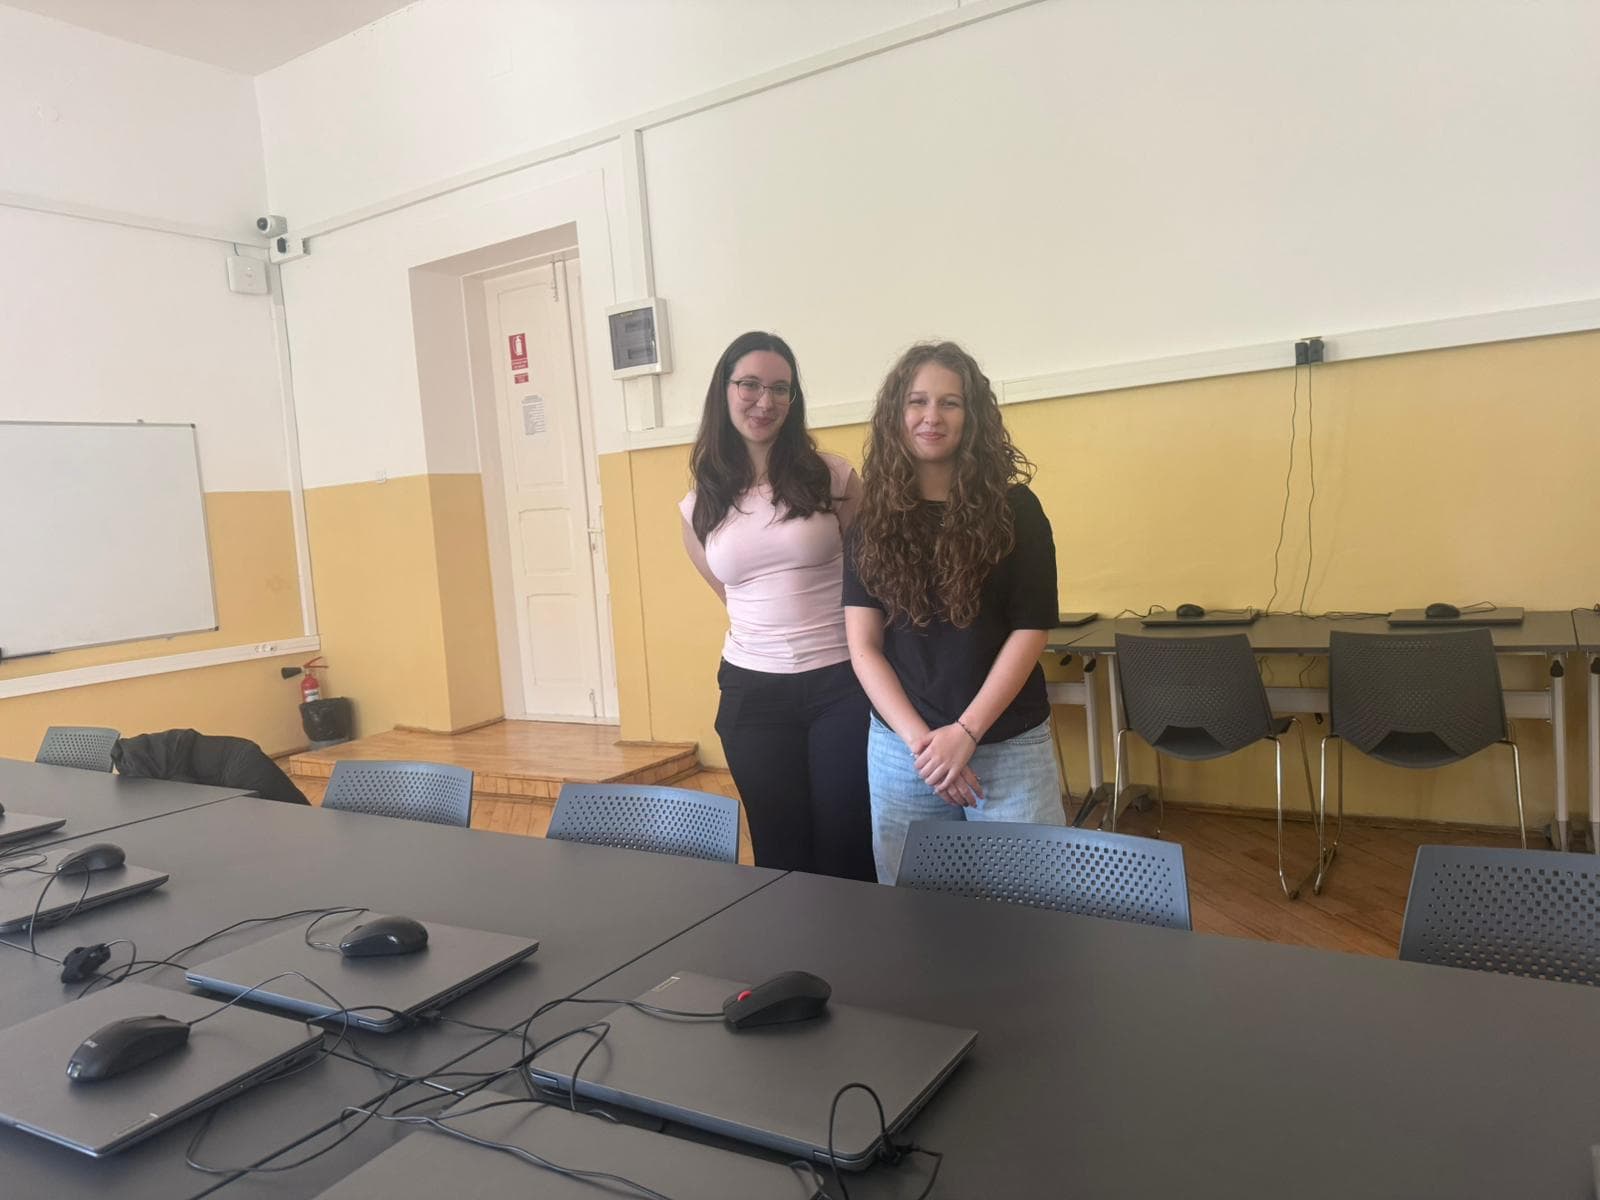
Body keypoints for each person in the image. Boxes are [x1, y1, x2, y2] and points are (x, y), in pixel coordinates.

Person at [843, 340, 1063, 884]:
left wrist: (964, 733)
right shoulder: (872, 521)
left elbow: (1031, 629)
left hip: (1007, 746)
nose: (932, 416)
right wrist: (926, 747)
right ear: (896, 415)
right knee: (914, 914)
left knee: (1029, 913)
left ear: (974, 416)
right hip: (904, 751)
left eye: (950, 403)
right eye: (917, 401)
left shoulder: (1017, 510)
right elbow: (864, 646)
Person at [679, 331, 875, 880]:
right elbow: (730, 596)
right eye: (750, 385)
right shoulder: (699, 506)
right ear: (724, 390)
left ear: (794, 399)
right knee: (778, 851)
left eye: (780, 389)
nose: (765, 401)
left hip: (842, 684)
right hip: (753, 694)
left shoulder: (835, 478)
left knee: (847, 844)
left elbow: (870, 584)